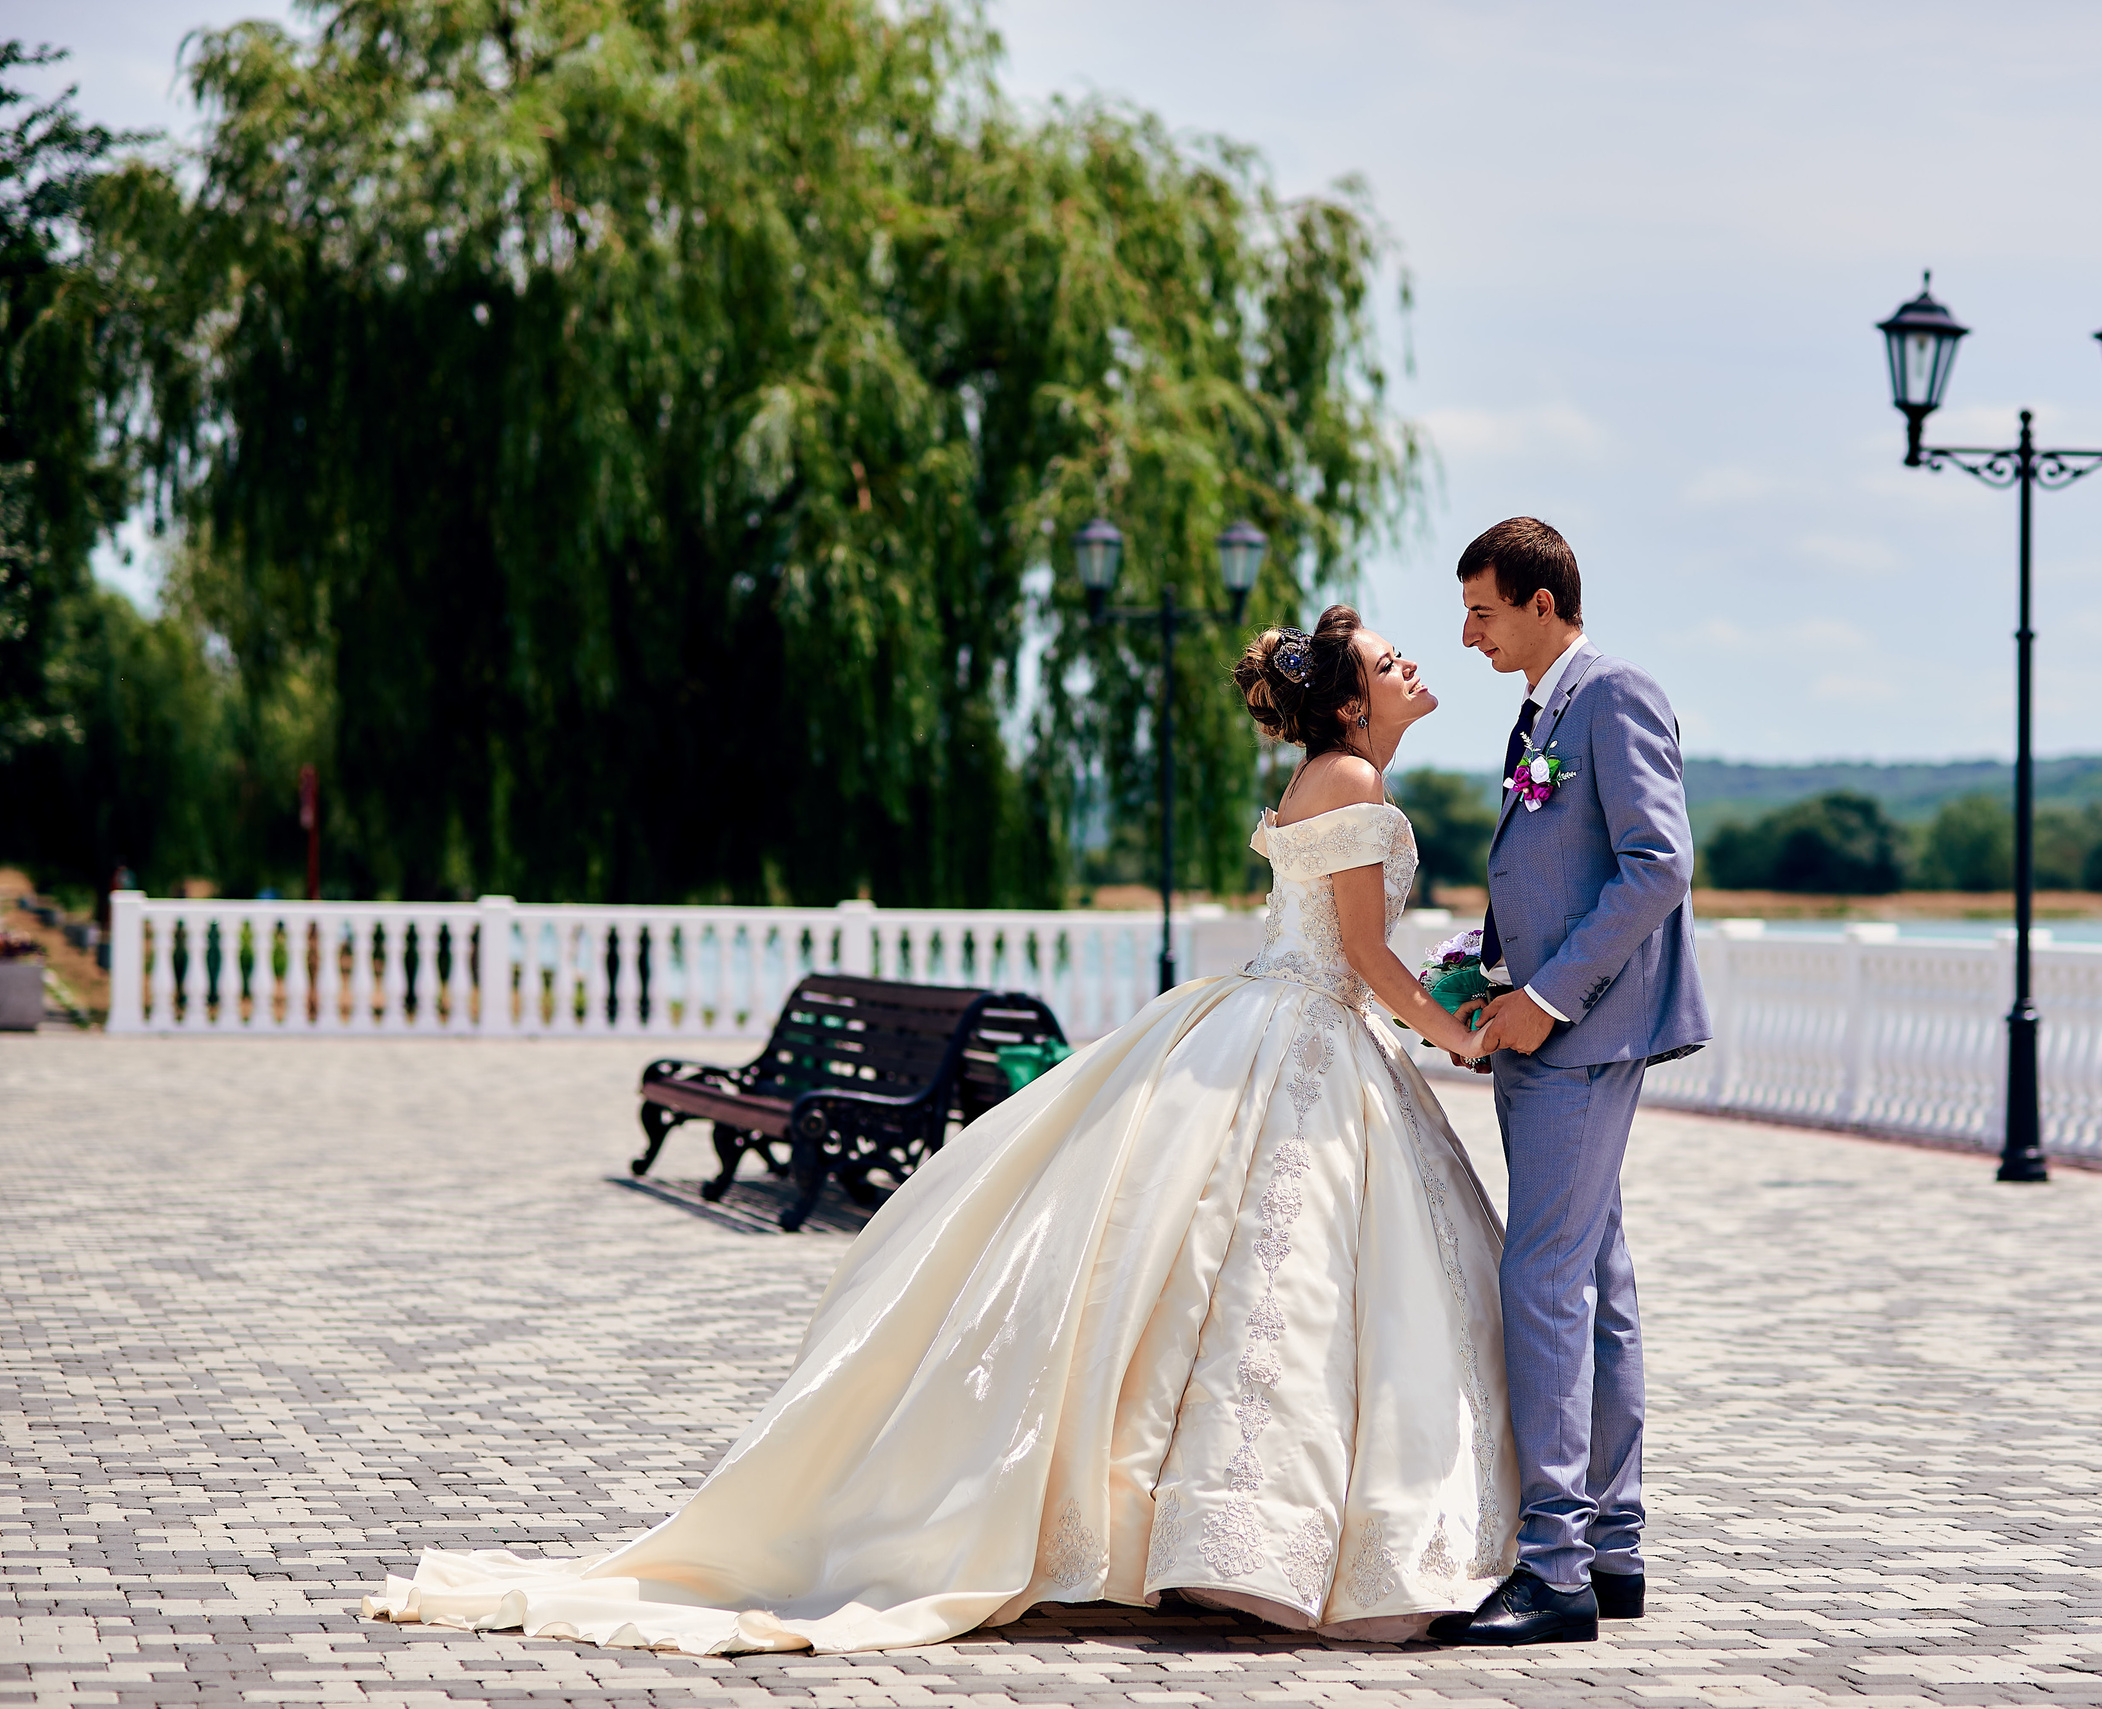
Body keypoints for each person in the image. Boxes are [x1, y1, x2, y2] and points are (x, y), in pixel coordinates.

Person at [358, 604, 1518, 1654]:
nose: (1409, 657)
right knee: (1280, 1280)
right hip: (1305, 1032)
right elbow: (1364, 957)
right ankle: (1249, 1536)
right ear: (1354, 698)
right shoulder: (1356, 785)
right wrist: (1457, 1035)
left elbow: (1348, 942)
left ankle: (1217, 1533)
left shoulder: (1337, 772)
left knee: (1228, 1283)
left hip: (1274, 1023)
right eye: (1385, 656)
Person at [1429, 517, 1711, 1647]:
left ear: (1543, 603)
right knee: (1594, 1271)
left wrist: (1543, 1000)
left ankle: (1552, 1567)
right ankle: (1609, 1543)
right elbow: (1552, 866)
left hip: (1580, 1037)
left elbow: (1658, 861)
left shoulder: (1616, 692)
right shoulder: (1541, 706)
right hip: (1551, 1024)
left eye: (1483, 610)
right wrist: (1486, 965)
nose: (1466, 633)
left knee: (1541, 1279)